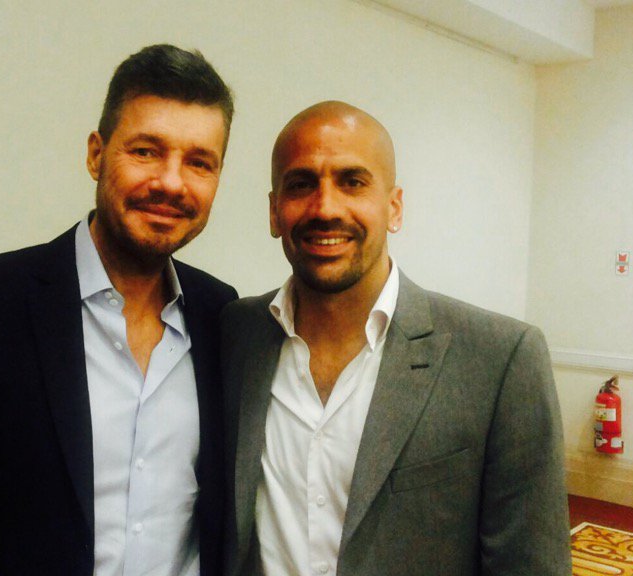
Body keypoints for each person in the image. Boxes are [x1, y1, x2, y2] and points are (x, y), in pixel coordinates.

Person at [0, 44, 237, 576]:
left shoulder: (223, 316)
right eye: (146, 151)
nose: (171, 182)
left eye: (199, 162)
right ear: (96, 154)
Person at [221, 101, 571, 575]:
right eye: (301, 184)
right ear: (273, 212)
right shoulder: (234, 334)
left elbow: (530, 564)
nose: (325, 208)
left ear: (394, 207)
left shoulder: (501, 359)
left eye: (352, 182)